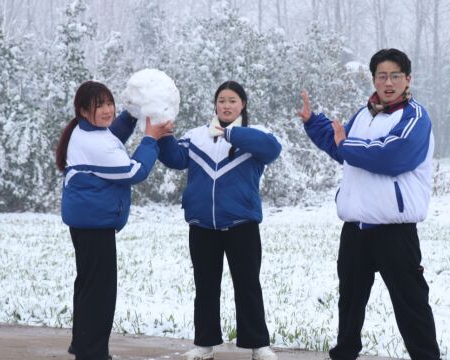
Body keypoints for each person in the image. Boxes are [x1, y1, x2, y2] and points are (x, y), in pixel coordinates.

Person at [296, 49, 441, 360]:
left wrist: (346, 144)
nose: (388, 82)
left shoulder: (415, 117)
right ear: (374, 79)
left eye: (395, 76)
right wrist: (313, 123)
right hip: (356, 228)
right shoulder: (364, 115)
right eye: (381, 76)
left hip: (395, 231)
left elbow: (391, 156)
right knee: (349, 301)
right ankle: (345, 354)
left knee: (411, 303)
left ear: (408, 79)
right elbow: (343, 148)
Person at [157, 80, 281, 360]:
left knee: (248, 285)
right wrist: (163, 137)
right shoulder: (197, 135)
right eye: (222, 100)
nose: (226, 105)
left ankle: (258, 344)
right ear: (215, 104)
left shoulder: (255, 135)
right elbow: (175, 159)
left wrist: (232, 133)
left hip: (242, 225)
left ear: (243, 105)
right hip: (202, 226)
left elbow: (272, 151)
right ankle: (204, 344)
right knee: (205, 287)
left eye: (232, 100)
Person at [55, 80, 172, 360]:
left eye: (110, 103)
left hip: (86, 223)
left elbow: (113, 136)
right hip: (95, 226)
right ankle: (94, 353)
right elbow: (134, 172)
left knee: (88, 287)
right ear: (83, 111)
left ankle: (84, 346)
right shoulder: (95, 144)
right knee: (100, 294)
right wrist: (151, 138)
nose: (108, 110)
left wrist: (130, 115)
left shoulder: (88, 132)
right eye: (100, 106)